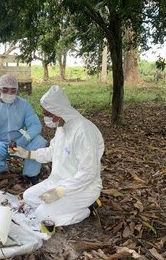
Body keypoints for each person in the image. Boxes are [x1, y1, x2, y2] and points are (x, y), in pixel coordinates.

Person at [12, 85, 105, 226]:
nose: (46, 118)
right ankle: (61, 207)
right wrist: (27, 153)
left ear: (58, 112)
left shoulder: (84, 131)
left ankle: (87, 209)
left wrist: (60, 191)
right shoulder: (62, 127)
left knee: (42, 215)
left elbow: (88, 173)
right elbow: (52, 152)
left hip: (83, 188)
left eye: (47, 114)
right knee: (28, 197)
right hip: (58, 182)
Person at [0, 74, 47, 184]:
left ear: (17, 91)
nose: (9, 94)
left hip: (20, 141)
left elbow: (35, 125)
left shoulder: (24, 104)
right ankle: (1, 170)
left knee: (39, 141)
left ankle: (31, 174)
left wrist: (23, 140)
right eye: (5, 90)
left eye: (13, 91)